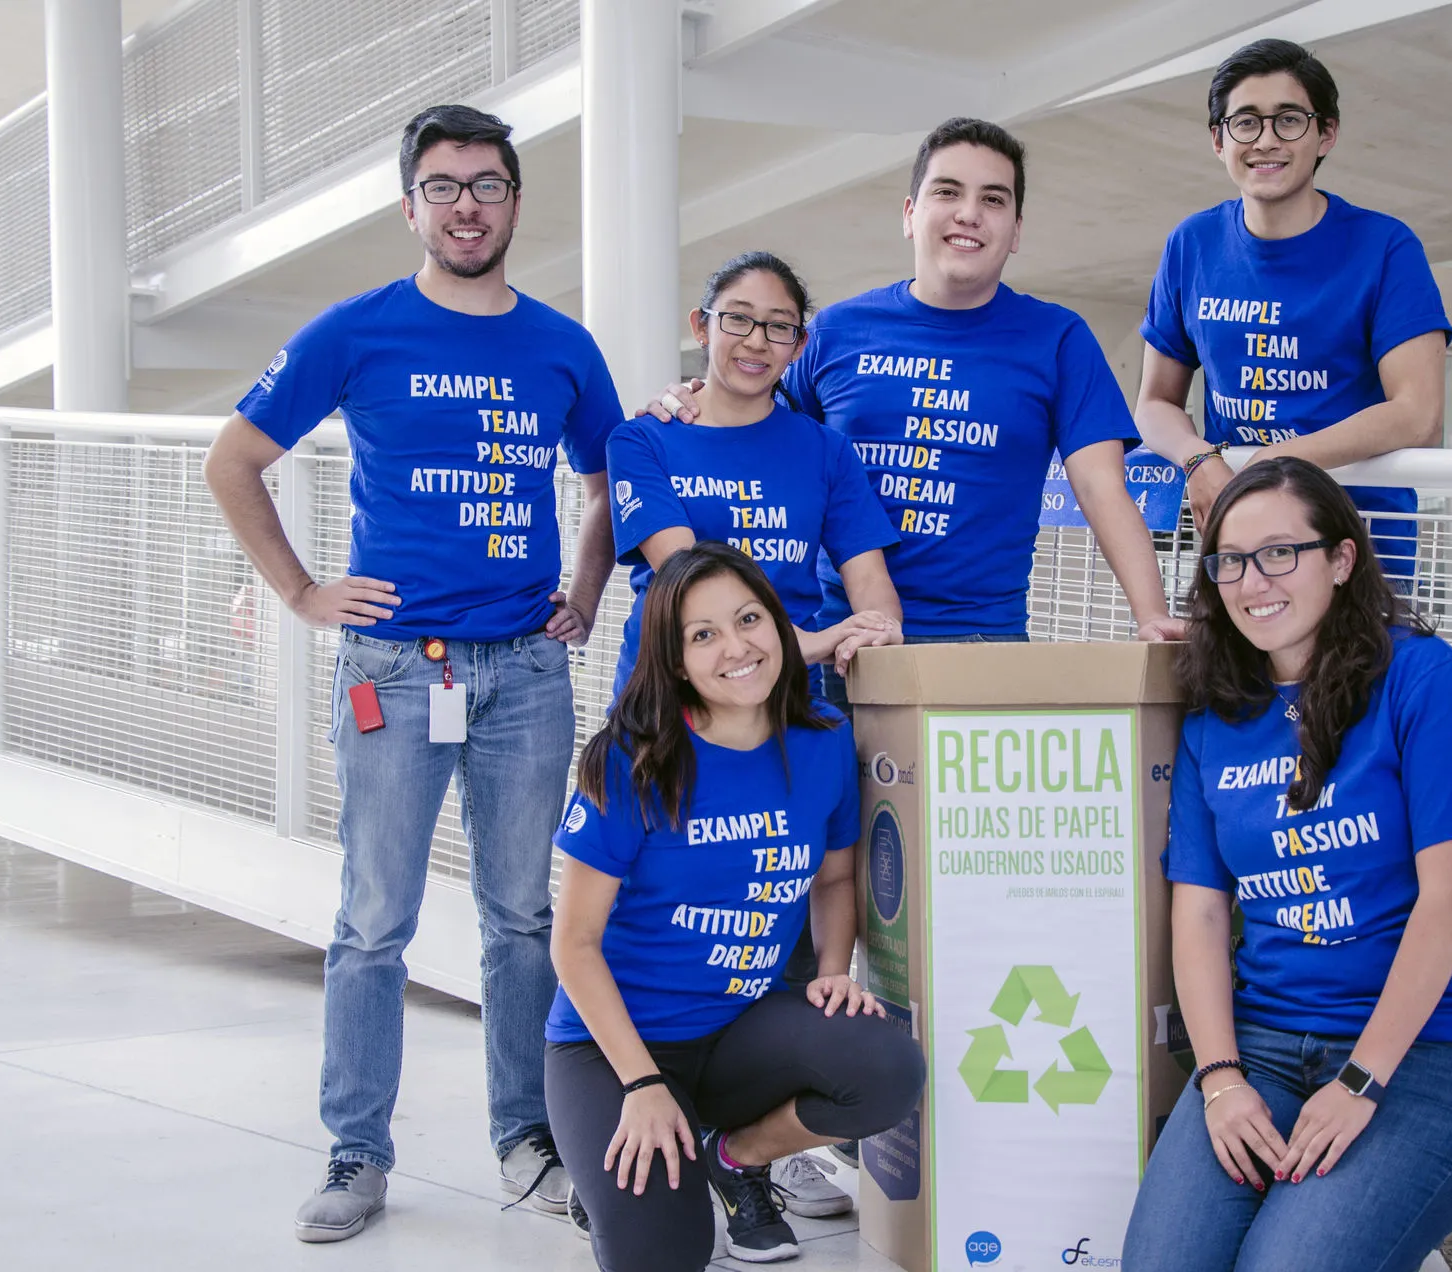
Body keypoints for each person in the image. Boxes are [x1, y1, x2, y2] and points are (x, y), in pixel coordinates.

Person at [203, 104, 620, 1242]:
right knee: (373, 920)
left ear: (516, 204)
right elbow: (233, 459)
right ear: (410, 207)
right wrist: (299, 593)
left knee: (523, 918)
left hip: (525, 674)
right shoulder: (355, 332)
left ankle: (527, 1140)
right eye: (443, 187)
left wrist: (583, 596)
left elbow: (606, 483)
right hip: (393, 668)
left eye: (487, 184)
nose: (468, 205)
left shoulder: (562, 347)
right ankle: (355, 1151)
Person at [1122, 457, 1452, 1271]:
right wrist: (1220, 1079)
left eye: (1281, 552)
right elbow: (1199, 909)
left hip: (1430, 1051)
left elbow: (1449, 902)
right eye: (1230, 560)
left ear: (1341, 561)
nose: (1252, 581)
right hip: (1267, 1044)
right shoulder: (1218, 712)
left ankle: (1419, 1195)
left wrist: (1361, 1085)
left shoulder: (1423, 681)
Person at [650, 117, 1183, 684]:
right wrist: (686, 406)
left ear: (1017, 229)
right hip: (838, 640)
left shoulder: (1058, 339)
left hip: (980, 647)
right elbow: (761, 440)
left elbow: (1102, 486)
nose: (969, 213)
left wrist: (1150, 614)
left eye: (993, 199)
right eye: (947, 191)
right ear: (909, 214)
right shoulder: (836, 331)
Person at [545, 542, 926, 1270]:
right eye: (703, 634)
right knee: (665, 1254)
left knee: (886, 1068)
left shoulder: (820, 741)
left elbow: (836, 880)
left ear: (779, 625)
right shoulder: (629, 760)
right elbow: (574, 946)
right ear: (675, 659)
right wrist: (643, 1082)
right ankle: (619, 1183)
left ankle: (732, 1155)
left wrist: (836, 969)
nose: (737, 647)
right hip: (611, 1048)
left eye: (749, 619)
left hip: (736, 1031)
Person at [1134, 40, 1450, 578]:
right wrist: (1197, 458)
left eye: (1289, 120)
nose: (1266, 141)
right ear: (1218, 139)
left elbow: (1418, 414)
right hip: (1242, 541)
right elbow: (1154, 404)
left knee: (1355, 666)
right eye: (1246, 122)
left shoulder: (1386, 247)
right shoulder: (1192, 244)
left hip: (1356, 542)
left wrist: (1276, 463)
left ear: (1326, 133)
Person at [606, 250, 904, 705]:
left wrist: (878, 630)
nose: (757, 341)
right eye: (737, 320)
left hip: (784, 703)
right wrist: (802, 642)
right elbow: (688, 577)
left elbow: (870, 582)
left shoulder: (826, 450)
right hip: (669, 701)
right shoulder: (641, 441)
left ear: (798, 345)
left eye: (778, 326)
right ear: (701, 327)